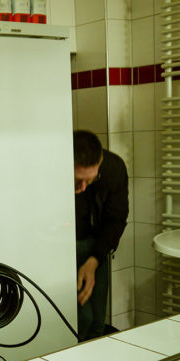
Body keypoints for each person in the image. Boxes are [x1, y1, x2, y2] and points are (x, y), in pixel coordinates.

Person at [73, 130, 129, 342]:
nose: (82, 188)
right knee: (81, 319)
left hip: (97, 245)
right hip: (61, 245)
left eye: (90, 180)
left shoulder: (114, 168)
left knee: (97, 322)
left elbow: (116, 219)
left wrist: (94, 260)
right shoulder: (51, 167)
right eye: (77, 181)